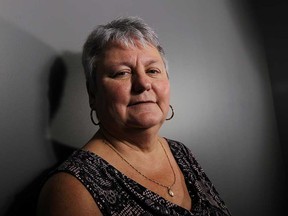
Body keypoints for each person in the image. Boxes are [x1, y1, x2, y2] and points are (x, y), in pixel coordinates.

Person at [37, 16, 231, 216]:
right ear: (93, 94)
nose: (143, 83)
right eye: (122, 73)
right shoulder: (72, 189)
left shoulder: (181, 153)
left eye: (153, 70)